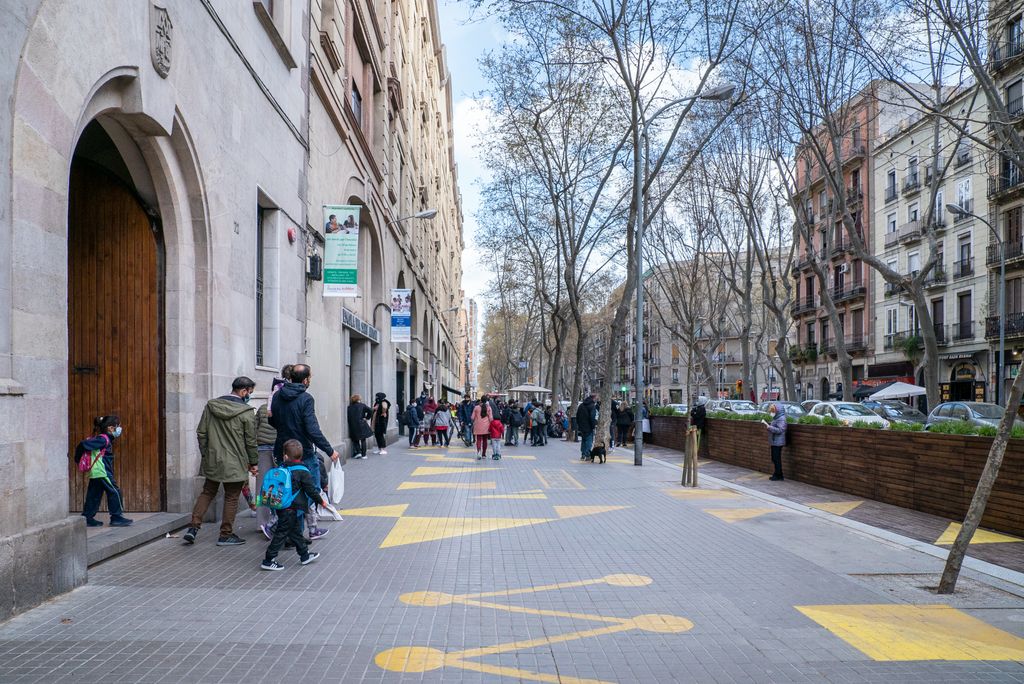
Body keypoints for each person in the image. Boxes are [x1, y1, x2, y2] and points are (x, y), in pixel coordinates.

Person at [185, 377, 258, 546]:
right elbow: (250, 441)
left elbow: (201, 433)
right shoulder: (246, 412)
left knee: (207, 492)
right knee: (232, 497)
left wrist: (206, 454)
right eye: (249, 392)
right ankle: (225, 534)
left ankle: (193, 528)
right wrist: (253, 462)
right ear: (243, 391)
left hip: (214, 459)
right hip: (236, 461)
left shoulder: (211, 406)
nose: (249, 396)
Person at [270, 364, 340, 542]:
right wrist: (330, 450)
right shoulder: (306, 398)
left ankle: (294, 535)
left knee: (289, 490)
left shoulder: (277, 395)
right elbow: (312, 429)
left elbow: (272, 420)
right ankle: (284, 527)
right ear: (306, 380)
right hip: (303, 453)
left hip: (283, 450)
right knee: (311, 492)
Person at [260, 439, 324, 571]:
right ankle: (268, 559)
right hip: (291, 507)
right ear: (301, 456)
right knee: (281, 533)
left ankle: (304, 555)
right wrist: (321, 501)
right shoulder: (303, 471)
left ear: (285, 456)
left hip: (282, 506)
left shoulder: (282, 468)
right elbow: (311, 490)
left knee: (295, 532)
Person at [76, 415, 133, 527]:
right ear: (110, 428)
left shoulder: (104, 439)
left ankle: (87, 517)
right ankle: (116, 517)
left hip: (96, 473)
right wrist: (77, 459)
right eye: (118, 426)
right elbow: (83, 444)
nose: (119, 429)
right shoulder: (103, 439)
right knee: (115, 492)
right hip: (102, 472)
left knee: (94, 495)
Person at [765, 403, 787, 481]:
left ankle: (778, 475)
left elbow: (781, 430)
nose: (772, 412)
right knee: (774, 458)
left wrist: (770, 427)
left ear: (777, 411)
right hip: (775, 441)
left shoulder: (781, 418)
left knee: (776, 458)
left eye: (773, 411)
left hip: (778, 442)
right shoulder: (776, 418)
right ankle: (778, 474)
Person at [347, 394, 372, 459]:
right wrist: (367, 418)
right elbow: (370, 410)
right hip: (361, 424)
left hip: (353, 425)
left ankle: (358, 452)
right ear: (359, 399)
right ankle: (364, 454)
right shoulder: (362, 405)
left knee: (355, 439)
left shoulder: (349, 407)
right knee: (363, 439)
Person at [575, 394, 598, 461]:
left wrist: (579, 424)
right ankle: (588, 455)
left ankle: (583, 454)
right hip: (589, 426)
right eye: (596, 398)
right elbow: (592, 417)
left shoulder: (581, 405)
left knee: (584, 440)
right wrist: (594, 425)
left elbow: (577, 415)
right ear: (594, 398)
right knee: (589, 440)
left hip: (582, 426)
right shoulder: (592, 406)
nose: (596, 400)